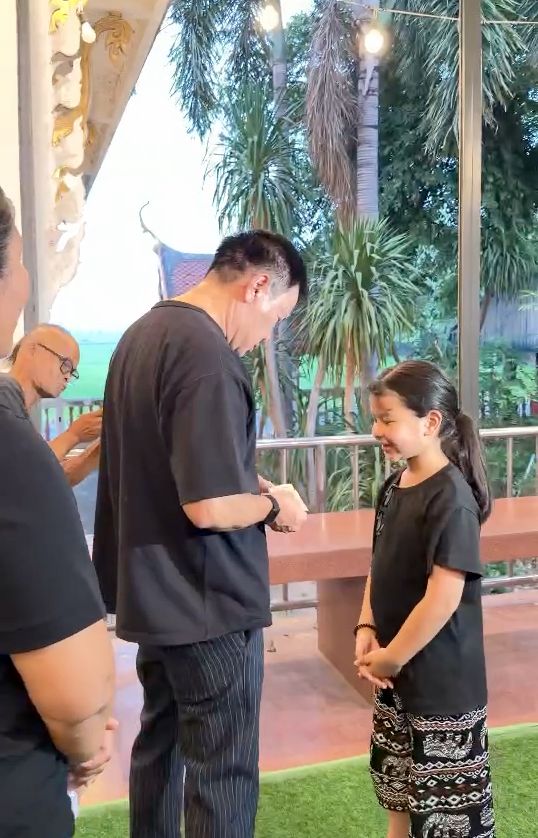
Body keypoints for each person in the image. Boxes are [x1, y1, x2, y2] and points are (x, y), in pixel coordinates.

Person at [93, 229, 309, 838]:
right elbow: (210, 506)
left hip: (153, 596)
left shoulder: (142, 336)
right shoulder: (208, 355)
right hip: (208, 603)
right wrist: (274, 506)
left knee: (159, 749)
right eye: (276, 318)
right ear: (258, 285)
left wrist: (250, 485)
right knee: (223, 771)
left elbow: (172, 463)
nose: (265, 335)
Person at [0, 184, 116, 837]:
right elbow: (33, 485)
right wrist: (85, 736)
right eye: (65, 364)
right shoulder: (11, 436)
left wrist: (84, 450)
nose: (69, 377)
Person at [354, 360, 494, 838]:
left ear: (430, 422)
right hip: (396, 681)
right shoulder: (393, 488)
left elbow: (443, 597)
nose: (377, 430)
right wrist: (367, 626)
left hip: (442, 689)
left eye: (387, 419)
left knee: (445, 821)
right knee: (398, 796)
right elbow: (377, 565)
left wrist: (392, 656)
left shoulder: (452, 498)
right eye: (375, 419)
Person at [8, 324, 102, 486]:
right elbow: (25, 471)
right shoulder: (5, 402)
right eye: (65, 364)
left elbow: (42, 479)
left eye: (72, 372)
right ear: (32, 350)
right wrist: (74, 435)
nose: (67, 377)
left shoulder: (21, 416)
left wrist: (96, 453)